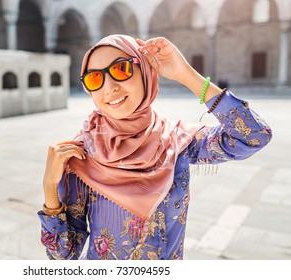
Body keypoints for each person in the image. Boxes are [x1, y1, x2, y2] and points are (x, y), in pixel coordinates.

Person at [38, 34, 272, 260]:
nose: (108, 88)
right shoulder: (81, 156)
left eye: (121, 69)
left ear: (146, 72)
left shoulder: (177, 142)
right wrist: (50, 187)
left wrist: (185, 74)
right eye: (94, 78)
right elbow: (63, 255)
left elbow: (253, 136)